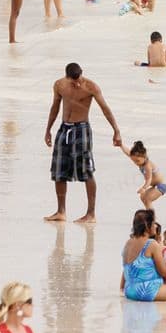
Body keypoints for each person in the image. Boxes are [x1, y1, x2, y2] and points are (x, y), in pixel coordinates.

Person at [43, 62, 123, 223]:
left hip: (82, 129)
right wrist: (48, 129)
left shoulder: (91, 87)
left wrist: (116, 130)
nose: (77, 84)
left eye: (79, 80)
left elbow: (105, 108)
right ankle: (61, 211)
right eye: (74, 82)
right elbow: (55, 107)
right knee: (59, 170)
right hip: (64, 129)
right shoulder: (59, 85)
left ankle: (91, 214)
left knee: (87, 170)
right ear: (67, 78)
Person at [120, 140, 166, 209]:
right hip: (155, 186)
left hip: (160, 186)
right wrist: (121, 145)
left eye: (137, 161)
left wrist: (144, 188)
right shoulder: (140, 161)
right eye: (134, 161)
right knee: (143, 197)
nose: (136, 163)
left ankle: (151, 218)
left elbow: (149, 179)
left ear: (144, 156)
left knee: (147, 199)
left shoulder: (147, 165)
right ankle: (150, 215)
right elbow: (128, 153)